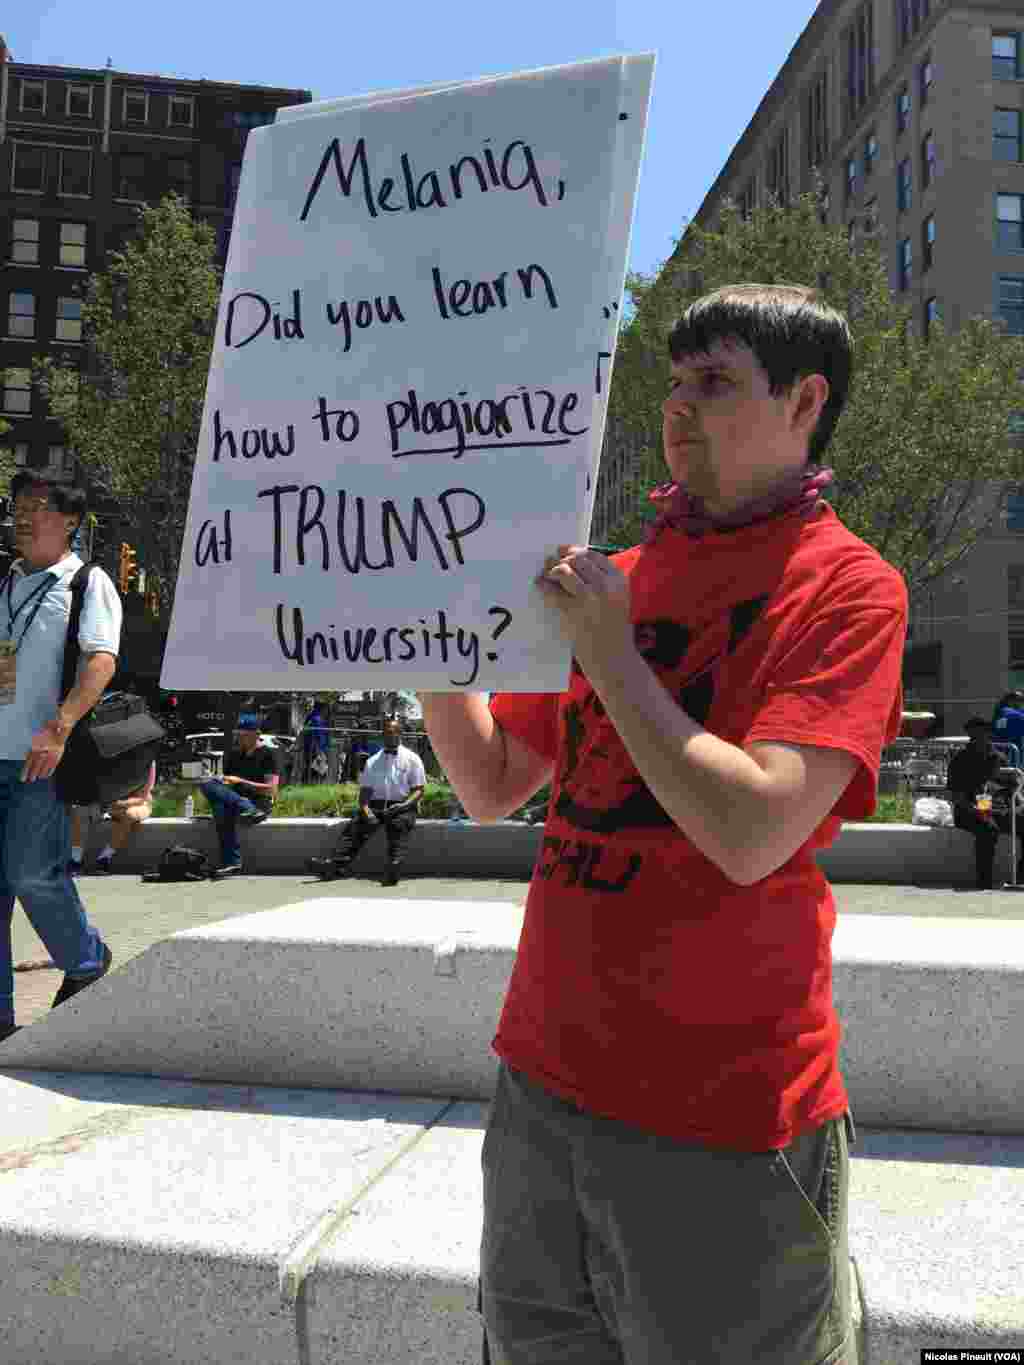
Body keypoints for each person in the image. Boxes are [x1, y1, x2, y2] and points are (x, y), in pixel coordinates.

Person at [420, 284, 907, 1365]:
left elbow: (753, 831)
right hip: (540, 1087)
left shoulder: (850, 588)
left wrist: (609, 653)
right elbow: (494, 783)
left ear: (805, 401)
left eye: (716, 382)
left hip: (727, 1119)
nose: (676, 407)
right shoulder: (618, 579)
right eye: (675, 381)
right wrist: (424, 654)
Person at [0, 472, 122, 1044]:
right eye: (18, 505)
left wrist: (60, 726)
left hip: (39, 759)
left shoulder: (85, 583)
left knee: (32, 874)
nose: (23, 516)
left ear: (70, 520)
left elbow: (101, 660)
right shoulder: (5, 583)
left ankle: (89, 960)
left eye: (37, 507)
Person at [308, 716, 425, 886]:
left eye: (392, 733)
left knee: (398, 825)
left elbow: (419, 790)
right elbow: (364, 794)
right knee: (357, 825)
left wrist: (404, 805)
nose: (389, 736)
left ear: (400, 735)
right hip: (376, 804)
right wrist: (366, 810)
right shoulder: (372, 761)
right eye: (386, 733)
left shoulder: (412, 759)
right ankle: (334, 866)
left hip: (403, 804)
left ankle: (393, 868)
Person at [198, 715, 279, 880]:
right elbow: (226, 785)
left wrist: (241, 781)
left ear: (256, 734)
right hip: (239, 802)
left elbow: (272, 790)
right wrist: (221, 781)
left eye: (244, 735)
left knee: (221, 809)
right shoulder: (235, 754)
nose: (240, 738)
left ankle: (231, 861)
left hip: (259, 804)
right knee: (208, 784)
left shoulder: (268, 754)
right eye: (239, 735)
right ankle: (233, 862)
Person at [947, 716, 1022, 889]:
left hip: (996, 808)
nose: (981, 739)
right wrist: (978, 811)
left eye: (985, 734)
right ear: (970, 736)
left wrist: (1019, 803)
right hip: (968, 810)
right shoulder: (960, 761)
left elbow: (1011, 788)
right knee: (988, 829)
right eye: (976, 735)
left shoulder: (998, 757)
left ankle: (1021, 878)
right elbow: (957, 797)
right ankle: (984, 881)